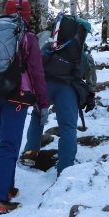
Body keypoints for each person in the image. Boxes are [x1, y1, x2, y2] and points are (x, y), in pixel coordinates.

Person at [0, 0, 49, 215]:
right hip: (17, 96)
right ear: (28, 15)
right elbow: (37, 73)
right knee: (9, 146)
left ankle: (7, 187)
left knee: (6, 143)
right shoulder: (28, 37)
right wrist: (43, 102)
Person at [20, 18, 96, 176]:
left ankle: (30, 153)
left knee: (37, 116)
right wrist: (91, 92)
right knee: (68, 127)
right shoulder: (79, 47)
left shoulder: (48, 41)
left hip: (44, 84)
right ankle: (65, 166)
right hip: (67, 88)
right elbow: (89, 70)